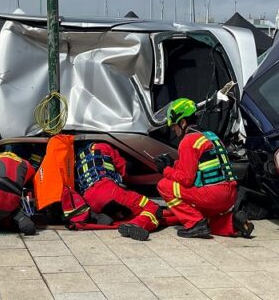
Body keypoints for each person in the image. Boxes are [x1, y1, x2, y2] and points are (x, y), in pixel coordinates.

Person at [156, 98, 254, 238]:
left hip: (214, 195)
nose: (173, 129)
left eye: (174, 126)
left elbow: (187, 179)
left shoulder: (188, 141)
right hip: (230, 195)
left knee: (164, 185)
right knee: (203, 216)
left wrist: (165, 170)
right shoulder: (210, 136)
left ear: (183, 122)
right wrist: (173, 164)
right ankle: (232, 223)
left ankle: (195, 224)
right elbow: (198, 166)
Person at [75, 142, 162, 241]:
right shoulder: (105, 147)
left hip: (88, 200)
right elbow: (123, 172)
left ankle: (106, 215)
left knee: (122, 208)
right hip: (109, 191)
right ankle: (136, 224)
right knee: (154, 208)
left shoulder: (79, 155)